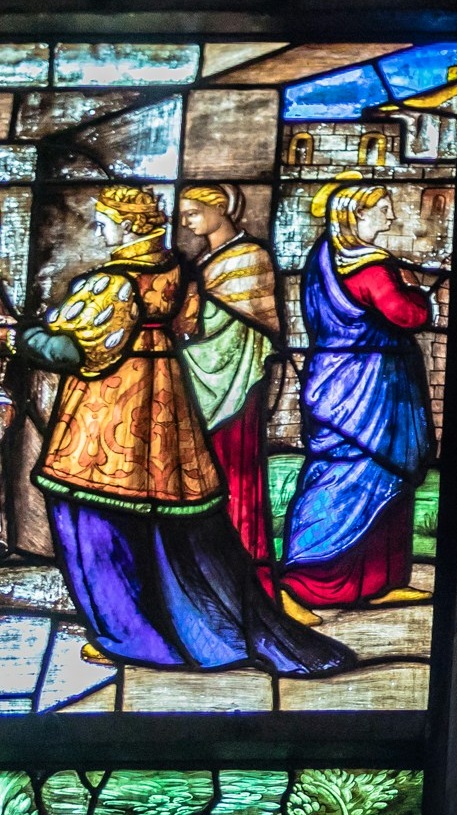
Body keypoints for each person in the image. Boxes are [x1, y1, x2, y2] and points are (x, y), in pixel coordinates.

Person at [21, 186, 347, 677]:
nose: (100, 229)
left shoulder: (110, 283)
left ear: (129, 226)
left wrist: (21, 337)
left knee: (94, 522)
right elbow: (190, 323)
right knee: (169, 527)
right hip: (164, 408)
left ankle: (131, 636)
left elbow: (76, 353)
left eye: (106, 221)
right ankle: (196, 630)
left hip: (104, 416)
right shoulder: (174, 270)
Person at [278, 182, 436, 624]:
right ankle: (298, 583)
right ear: (354, 216)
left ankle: (377, 581)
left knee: (385, 475)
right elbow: (408, 316)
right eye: (381, 210)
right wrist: (420, 295)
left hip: (338, 374)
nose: (388, 218)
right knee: (349, 475)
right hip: (368, 384)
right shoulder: (370, 268)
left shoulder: (323, 258)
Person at [176, 185, 281, 573]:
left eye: (192, 212)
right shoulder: (208, 258)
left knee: (238, 474)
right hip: (201, 375)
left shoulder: (251, 256)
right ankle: (208, 568)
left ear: (220, 207)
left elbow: (243, 323)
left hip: (238, 380)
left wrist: (191, 316)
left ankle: (247, 572)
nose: (186, 221)